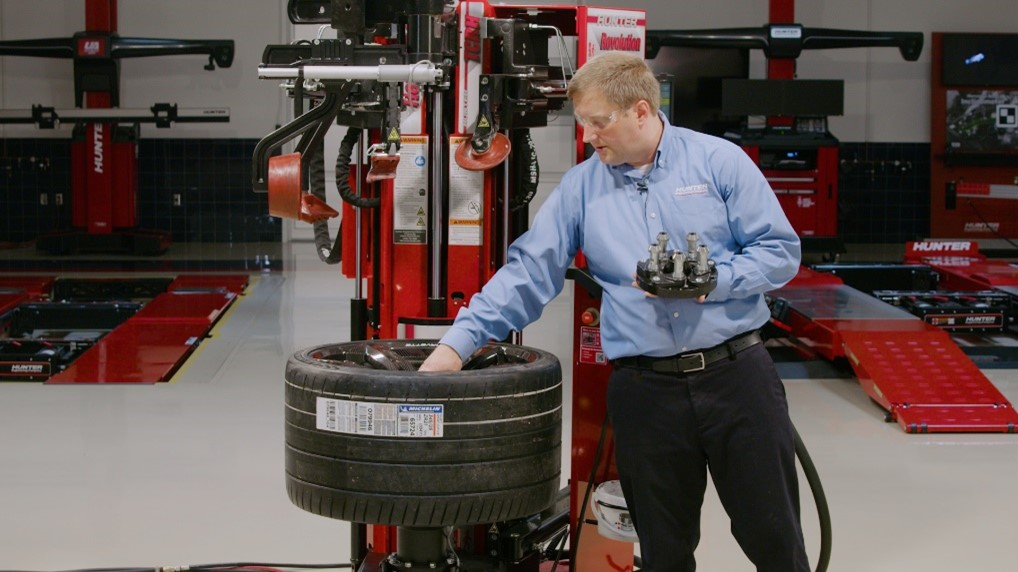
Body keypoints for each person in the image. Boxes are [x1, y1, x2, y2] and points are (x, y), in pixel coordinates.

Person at [419, 50, 809, 572]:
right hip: (645, 394)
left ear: (641, 112)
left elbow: (780, 251)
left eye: (599, 123)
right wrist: (456, 345)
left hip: (737, 377)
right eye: (583, 123)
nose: (589, 136)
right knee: (663, 550)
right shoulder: (582, 187)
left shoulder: (719, 162)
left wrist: (713, 280)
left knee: (774, 535)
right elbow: (529, 271)